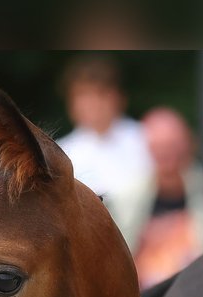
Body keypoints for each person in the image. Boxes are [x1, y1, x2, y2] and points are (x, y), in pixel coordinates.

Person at [56, 55, 155, 253]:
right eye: (83, 96)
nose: (93, 104)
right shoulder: (61, 153)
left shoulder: (147, 139)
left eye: (100, 94)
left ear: (118, 97)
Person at [133, 107, 203, 288]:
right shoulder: (128, 201)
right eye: (158, 148)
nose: (166, 156)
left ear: (189, 145)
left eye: (172, 147)